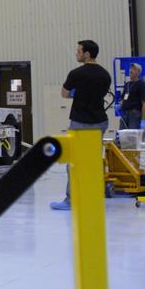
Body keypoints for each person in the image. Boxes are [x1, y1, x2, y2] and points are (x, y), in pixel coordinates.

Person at [50, 39, 112, 211]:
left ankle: (71, 200)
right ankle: (95, 196)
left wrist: (76, 93)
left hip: (81, 122)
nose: (76, 53)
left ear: (87, 54)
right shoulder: (105, 74)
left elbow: (64, 93)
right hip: (100, 121)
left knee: (75, 162)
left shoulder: (76, 73)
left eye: (78, 51)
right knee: (93, 160)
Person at [119, 63, 145, 131]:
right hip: (125, 114)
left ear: (138, 72)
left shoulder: (141, 84)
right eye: (130, 68)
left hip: (135, 114)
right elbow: (123, 98)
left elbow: (144, 103)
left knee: (132, 136)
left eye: (134, 69)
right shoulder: (127, 84)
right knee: (122, 135)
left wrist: (143, 120)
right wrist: (120, 104)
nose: (131, 70)